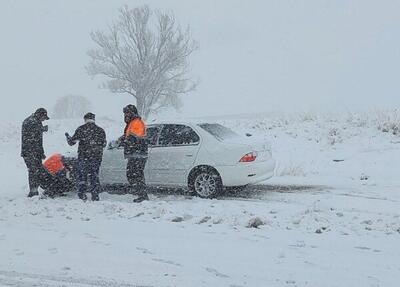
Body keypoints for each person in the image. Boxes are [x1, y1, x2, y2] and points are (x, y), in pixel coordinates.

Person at [65, 113, 106, 201]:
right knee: (94, 176)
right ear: (94, 119)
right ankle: (95, 195)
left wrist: (68, 137)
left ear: (85, 119)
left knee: (82, 176)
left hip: (84, 157)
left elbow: (72, 142)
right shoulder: (100, 130)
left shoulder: (81, 129)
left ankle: (82, 195)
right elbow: (104, 144)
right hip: (96, 158)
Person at [118, 104, 149, 203]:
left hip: (137, 153)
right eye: (124, 113)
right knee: (134, 174)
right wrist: (121, 139)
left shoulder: (136, 123)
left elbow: (133, 138)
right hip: (136, 153)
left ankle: (142, 195)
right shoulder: (132, 123)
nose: (125, 115)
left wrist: (123, 142)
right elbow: (128, 136)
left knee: (135, 174)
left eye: (127, 113)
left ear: (132, 113)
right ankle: (141, 193)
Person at [21, 108, 50, 197]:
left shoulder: (36, 121)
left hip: (35, 152)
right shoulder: (30, 121)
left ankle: (46, 188)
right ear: (40, 115)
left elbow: (38, 140)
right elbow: (32, 136)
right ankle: (33, 192)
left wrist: (41, 152)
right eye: (44, 118)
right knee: (33, 171)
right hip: (29, 152)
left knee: (39, 170)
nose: (44, 120)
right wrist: (42, 129)